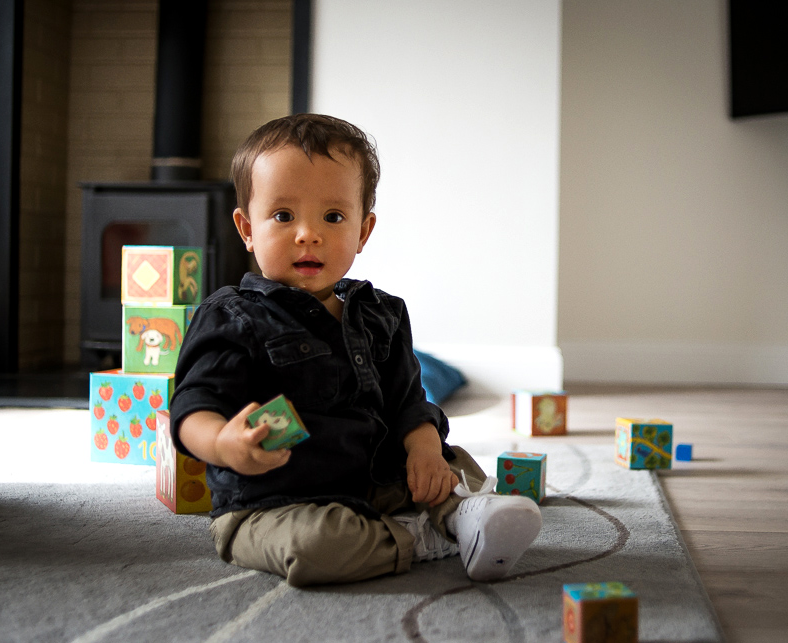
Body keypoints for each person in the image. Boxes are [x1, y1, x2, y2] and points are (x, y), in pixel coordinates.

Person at [169, 113, 542, 587]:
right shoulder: (233, 317)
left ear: (363, 231)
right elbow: (191, 407)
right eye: (283, 216)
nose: (309, 233)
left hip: (379, 480)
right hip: (273, 504)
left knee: (447, 460)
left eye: (333, 216)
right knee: (313, 550)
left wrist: (425, 451)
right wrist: (225, 444)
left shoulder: (381, 313)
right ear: (247, 228)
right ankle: (427, 536)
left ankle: (460, 512)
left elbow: (410, 402)